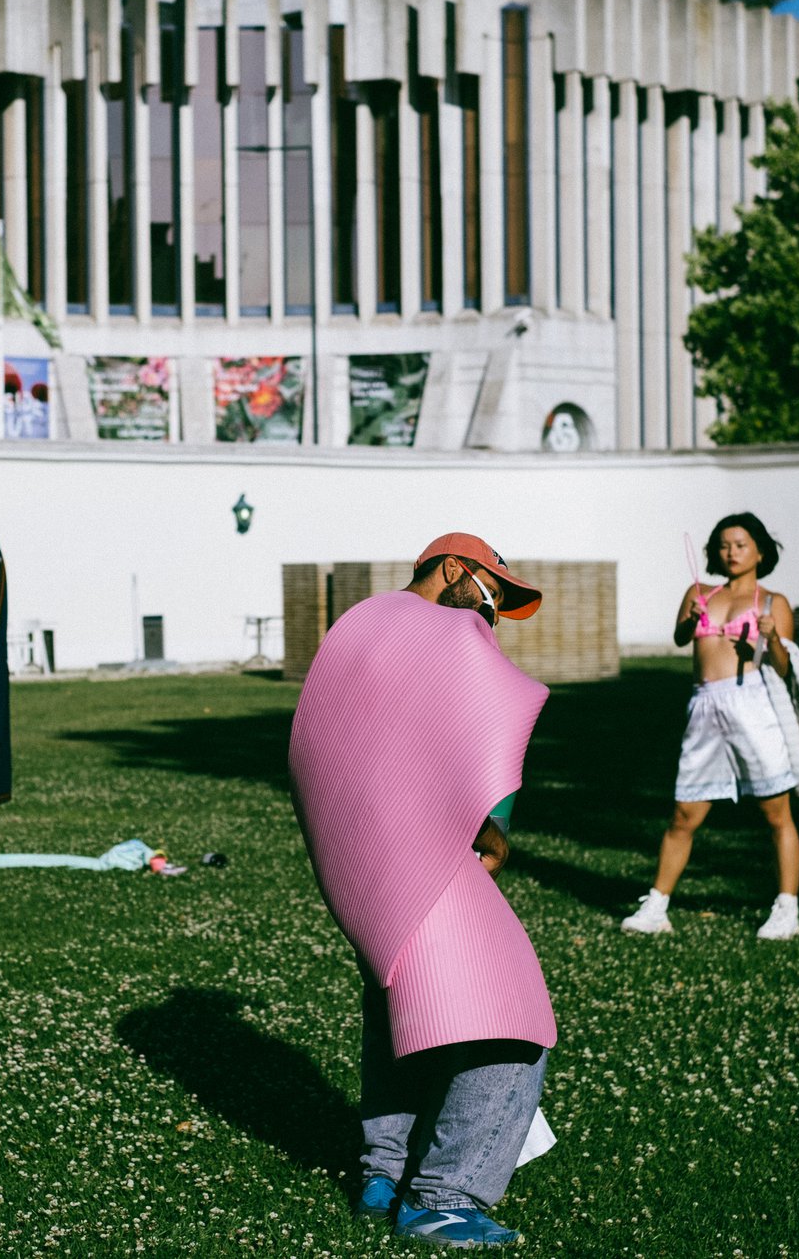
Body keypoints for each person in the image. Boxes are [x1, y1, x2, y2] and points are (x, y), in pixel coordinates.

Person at [288, 533, 553, 1249]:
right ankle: (443, 1196)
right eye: (491, 592)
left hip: (363, 864)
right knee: (512, 1022)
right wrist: (490, 835)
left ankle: (384, 1170)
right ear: (455, 569)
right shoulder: (446, 629)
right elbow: (485, 731)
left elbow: (330, 741)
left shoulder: (360, 628)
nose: (490, 614)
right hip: (425, 859)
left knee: (400, 1004)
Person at [622, 511, 799, 941]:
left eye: (741, 544)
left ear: (760, 551)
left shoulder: (773, 603)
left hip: (753, 705)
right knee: (684, 812)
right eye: (724, 545)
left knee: (776, 812)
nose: (731, 552)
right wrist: (690, 617)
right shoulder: (700, 591)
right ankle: (657, 906)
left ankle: (786, 910)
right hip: (705, 707)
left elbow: (785, 669)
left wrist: (771, 638)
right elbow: (683, 639)